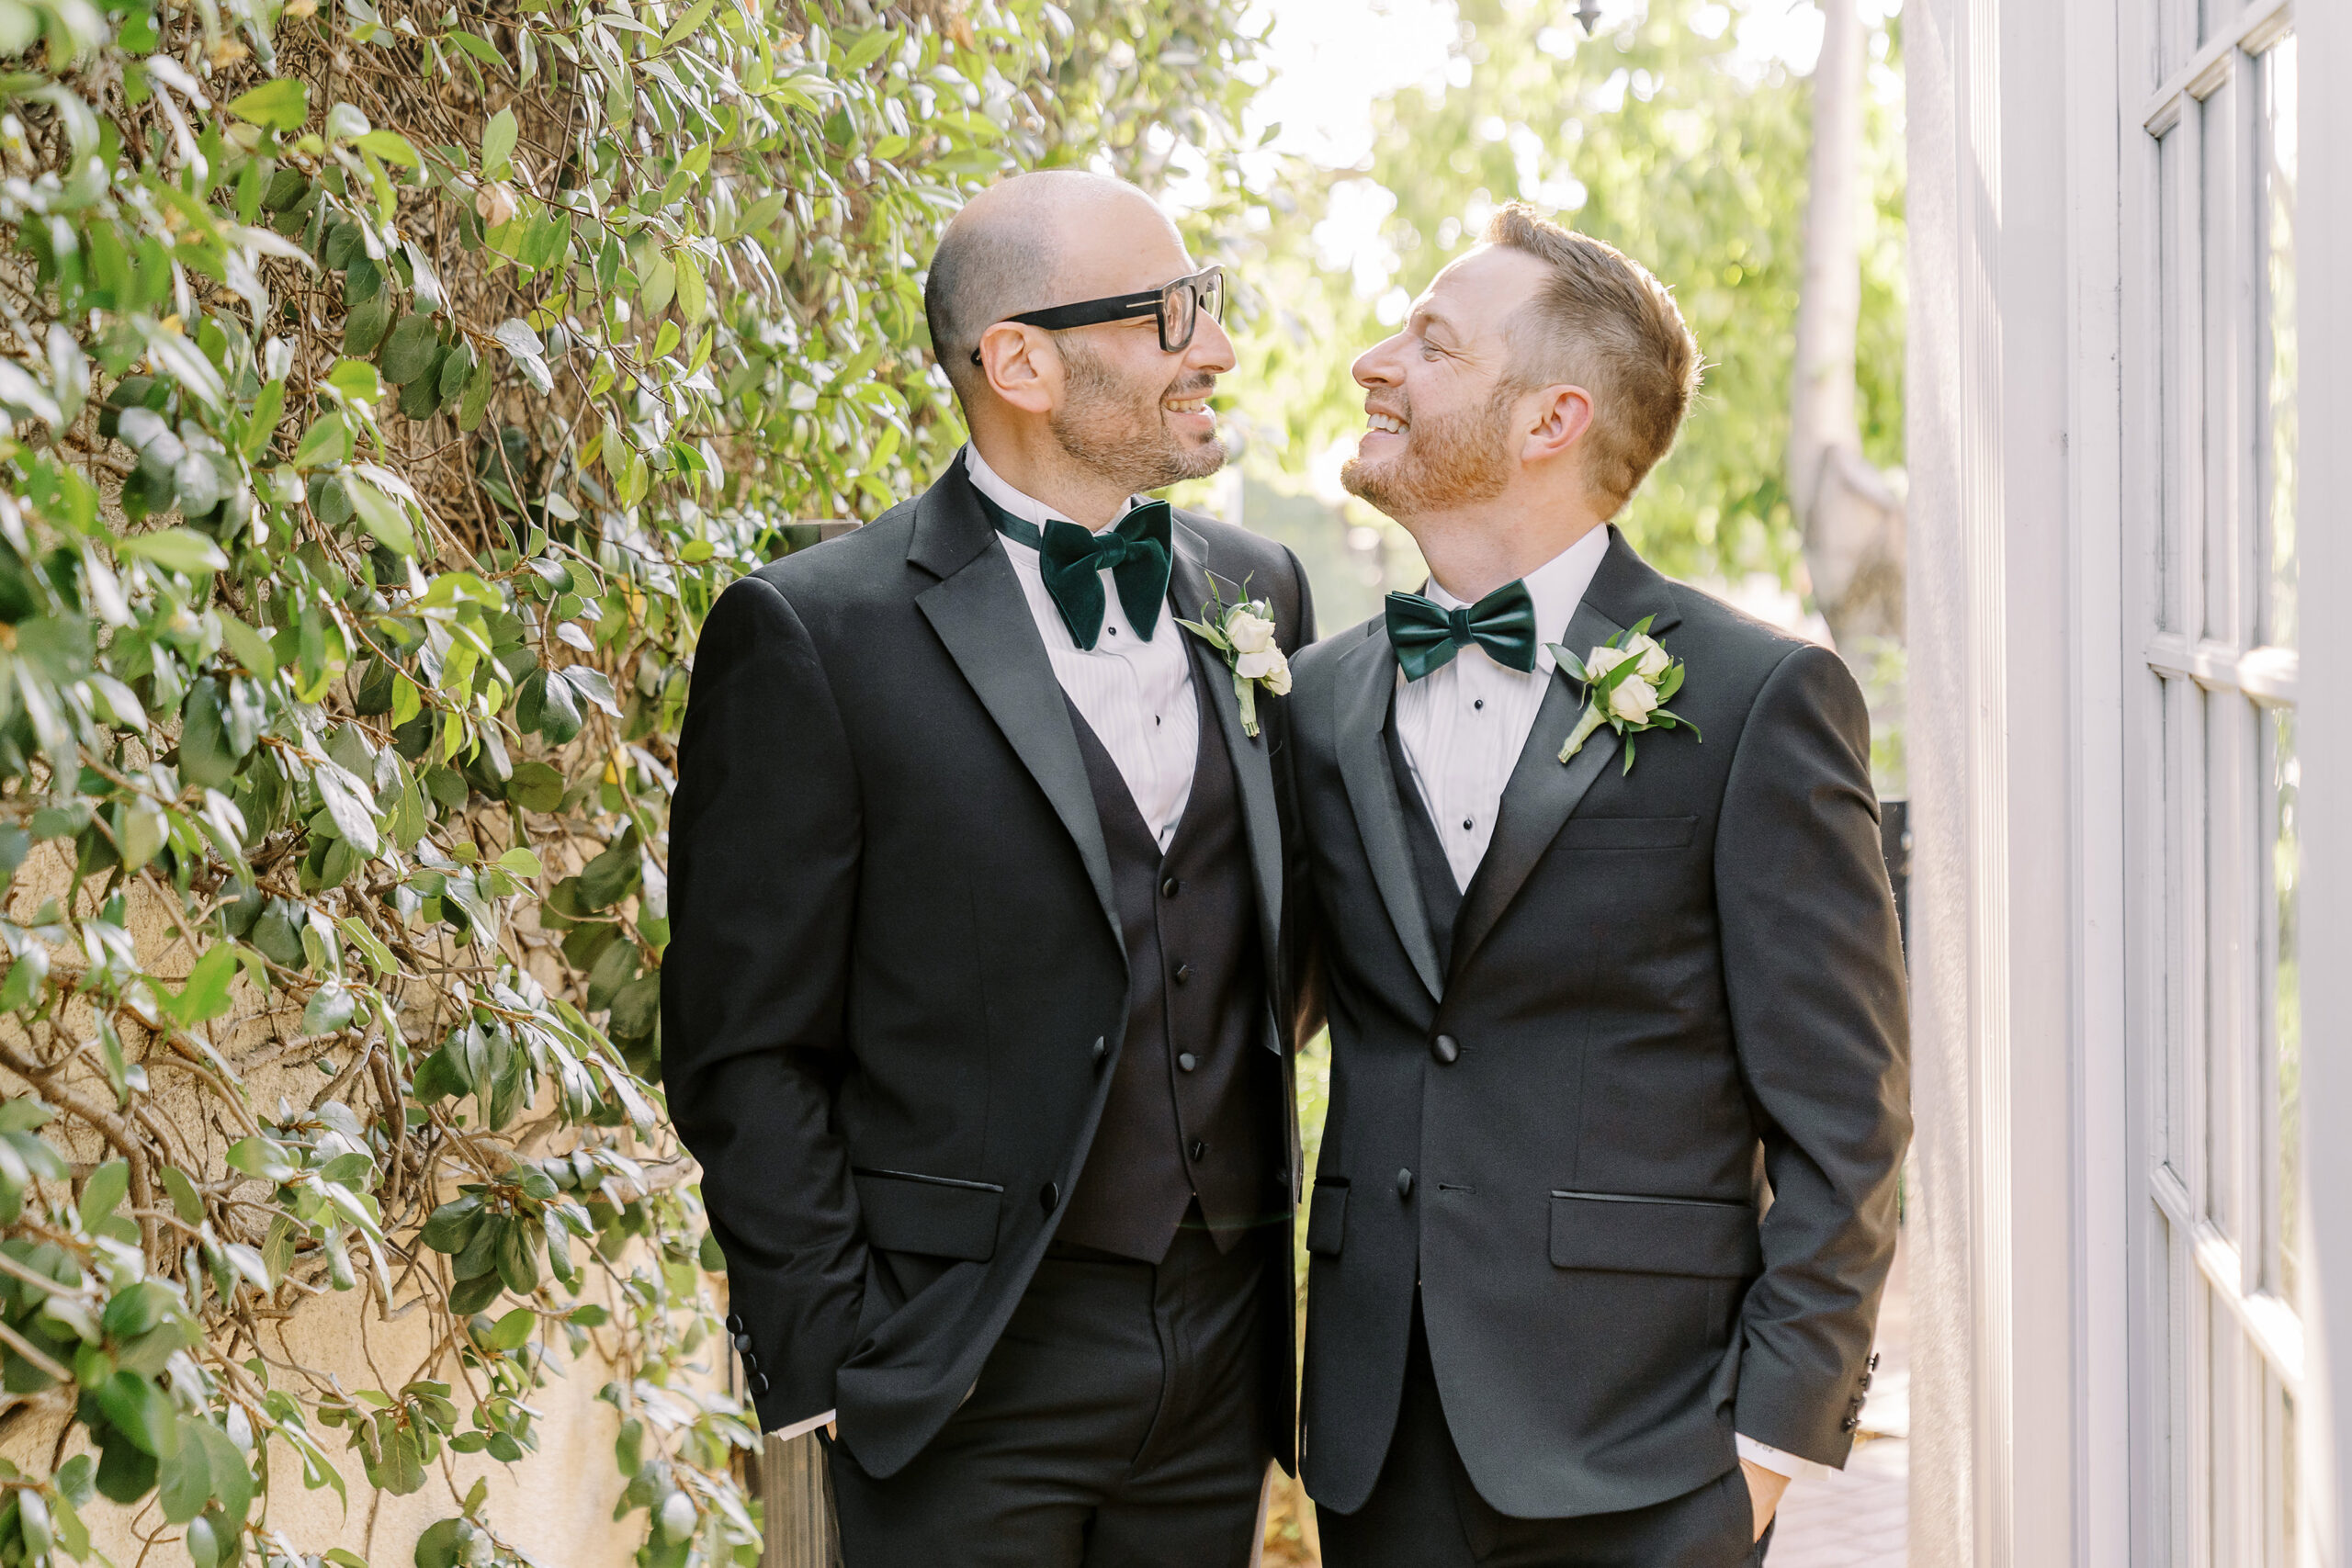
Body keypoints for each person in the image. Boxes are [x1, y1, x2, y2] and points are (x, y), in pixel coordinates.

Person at [661, 169, 1315, 1567]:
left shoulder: (1261, 589)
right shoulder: (812, 633)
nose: (1215, 348)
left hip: (1223, 1357)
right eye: (1170, 314)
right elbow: (739, 1043)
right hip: (958, 1365)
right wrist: (832, 1358)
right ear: (1017, 362)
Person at [1288, 201, 1911, 1567]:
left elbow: (1847, 1119)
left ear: (1549, 419)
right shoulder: (1323, 698)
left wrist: (1766, 1451)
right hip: (1377, 1453)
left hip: (1651, 1460)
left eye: (1431, 344)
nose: (1374, 363)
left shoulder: (1759, 700)